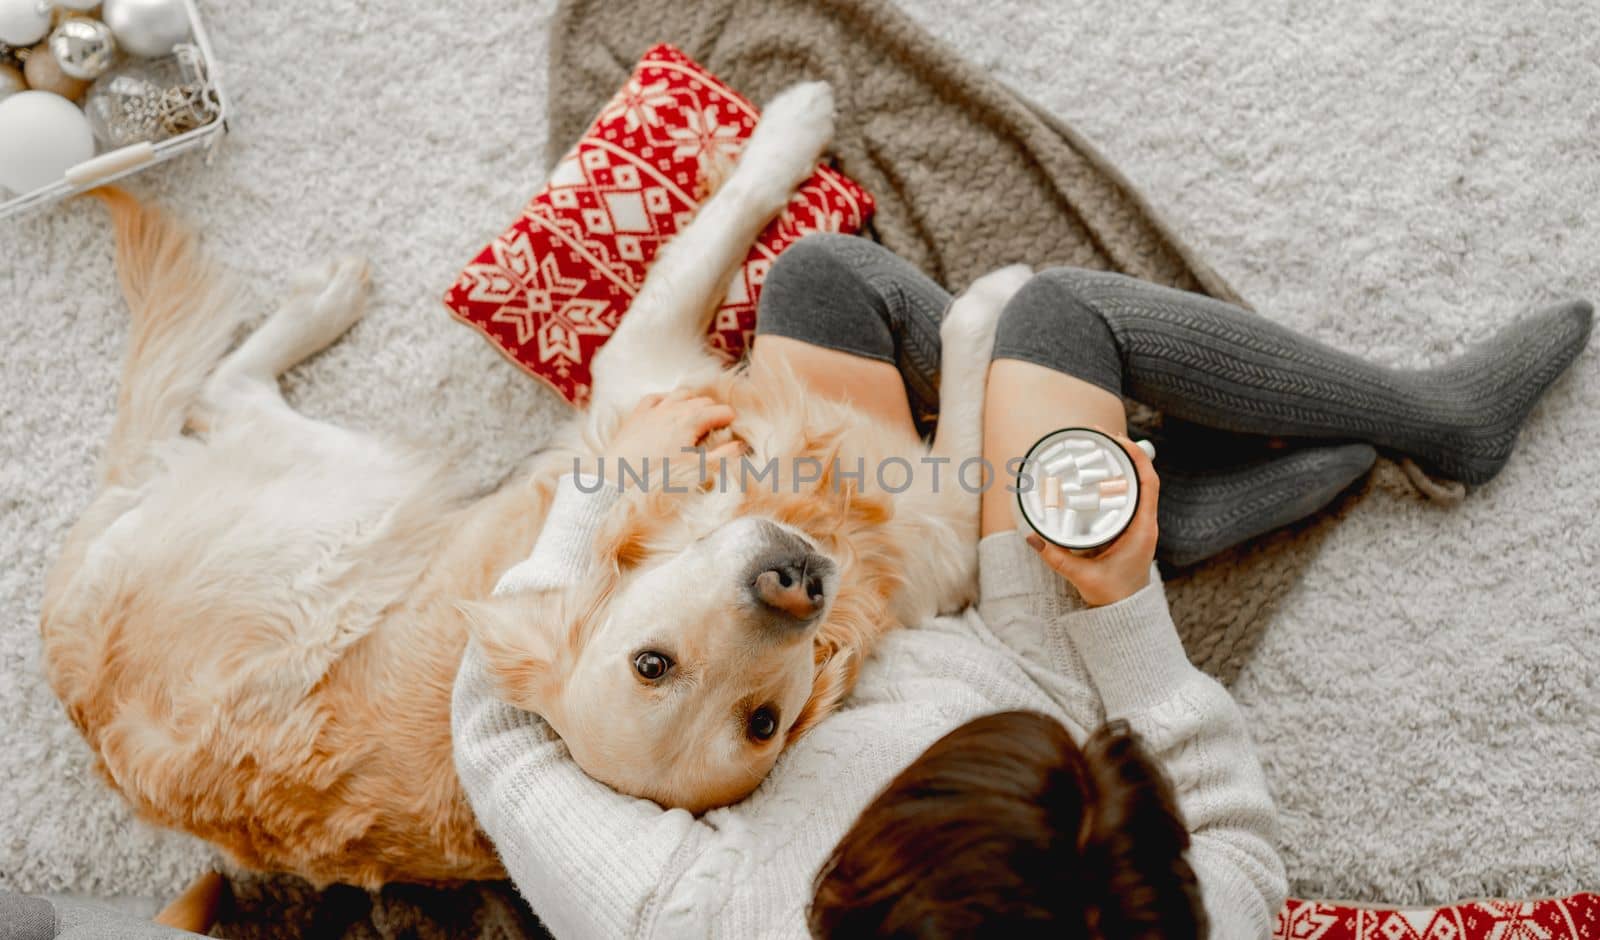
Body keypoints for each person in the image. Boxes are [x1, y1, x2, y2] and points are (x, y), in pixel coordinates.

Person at [451, 235, 1589, 938]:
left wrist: (611, 471)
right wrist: (1123, 599)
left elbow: (499, 728)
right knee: (1053, 318)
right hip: (1022, 647)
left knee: (820, 284)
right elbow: (1231, 825)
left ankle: (1164, 502)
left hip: (905, 620)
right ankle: (1433, 427)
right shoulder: (1195, 917)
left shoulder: (687, 918)